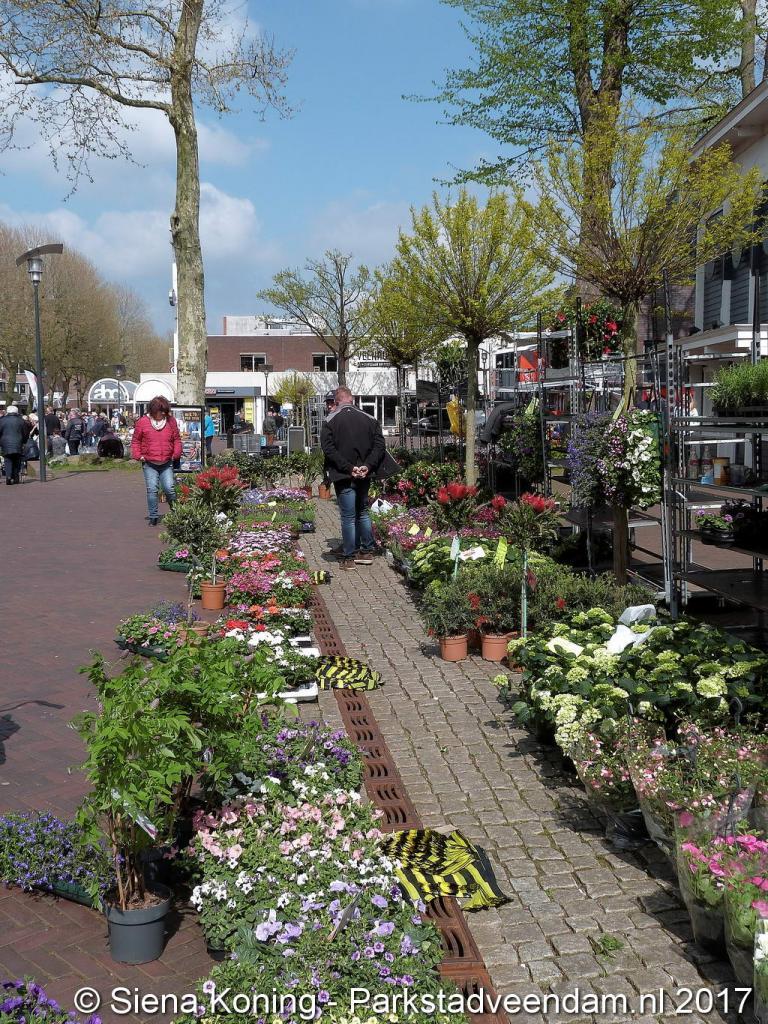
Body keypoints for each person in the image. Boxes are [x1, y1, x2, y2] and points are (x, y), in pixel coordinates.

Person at [320, 386, 385, 568]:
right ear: (353, 399)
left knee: (348, 516)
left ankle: (349, 557)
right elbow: (380, 446)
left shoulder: (330, 420)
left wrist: (349, 468)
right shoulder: (370, 418)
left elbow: (328, 449)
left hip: (343, 475)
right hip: (365, 473)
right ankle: (366, 551)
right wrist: (367, 466)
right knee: (363, 511)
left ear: (337, 401)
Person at [131, 396, 182, 526]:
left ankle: (177, 513)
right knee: (152, 490)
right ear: (153, 410)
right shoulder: (142, 422)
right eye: (161, 411)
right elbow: (136, 441)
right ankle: (153, 516)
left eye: (165, 411)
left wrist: (176, 454)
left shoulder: (171, 421)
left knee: (169, 488)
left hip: (166, 462)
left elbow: (177, 439)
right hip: (149, 463)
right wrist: (138, 455)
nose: (163, 414)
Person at [0, 405, 30, 485]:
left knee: (7, 459)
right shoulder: (21, 421)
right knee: (17, 459)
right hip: (18, 443)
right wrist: (24, 441)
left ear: (7, 411)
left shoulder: (2, 420)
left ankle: (8, 476)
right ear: (17, 412)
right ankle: (16, 477)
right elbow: (25, 433)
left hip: (5, 443)